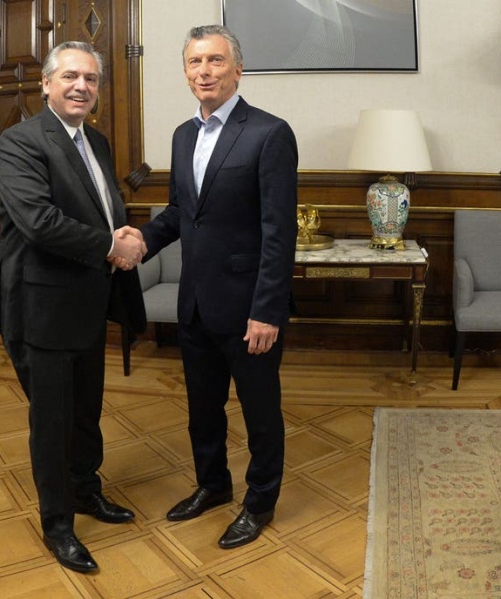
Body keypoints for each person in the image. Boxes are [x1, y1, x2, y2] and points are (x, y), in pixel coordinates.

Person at [139, 25, 298, 549]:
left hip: (249, 308)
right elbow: (181, 212)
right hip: (195, 304)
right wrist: (139, 242)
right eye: (194, 62)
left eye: (215, 61)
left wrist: (267, 310)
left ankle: (259, 503)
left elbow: (279, 232)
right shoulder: (183, 135)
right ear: (186, 72)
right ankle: (213, 486)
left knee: (260, 414)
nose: (204, 71)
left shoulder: (270, 133)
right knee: (202, 409)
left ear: (237, 69)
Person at [0, 41, 147, 574]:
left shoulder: (95, 141)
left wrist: (122, 232)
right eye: (70, 76)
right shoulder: (20, 141)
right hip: (42, 309)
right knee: (53, 422)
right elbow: (38, 222)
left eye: (91, 79)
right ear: (46, 84)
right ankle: (58, 525)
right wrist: (111, 245)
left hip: (87, 303)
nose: (82, 86)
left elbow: (98, 208)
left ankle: (85, 490)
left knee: (85, 412)